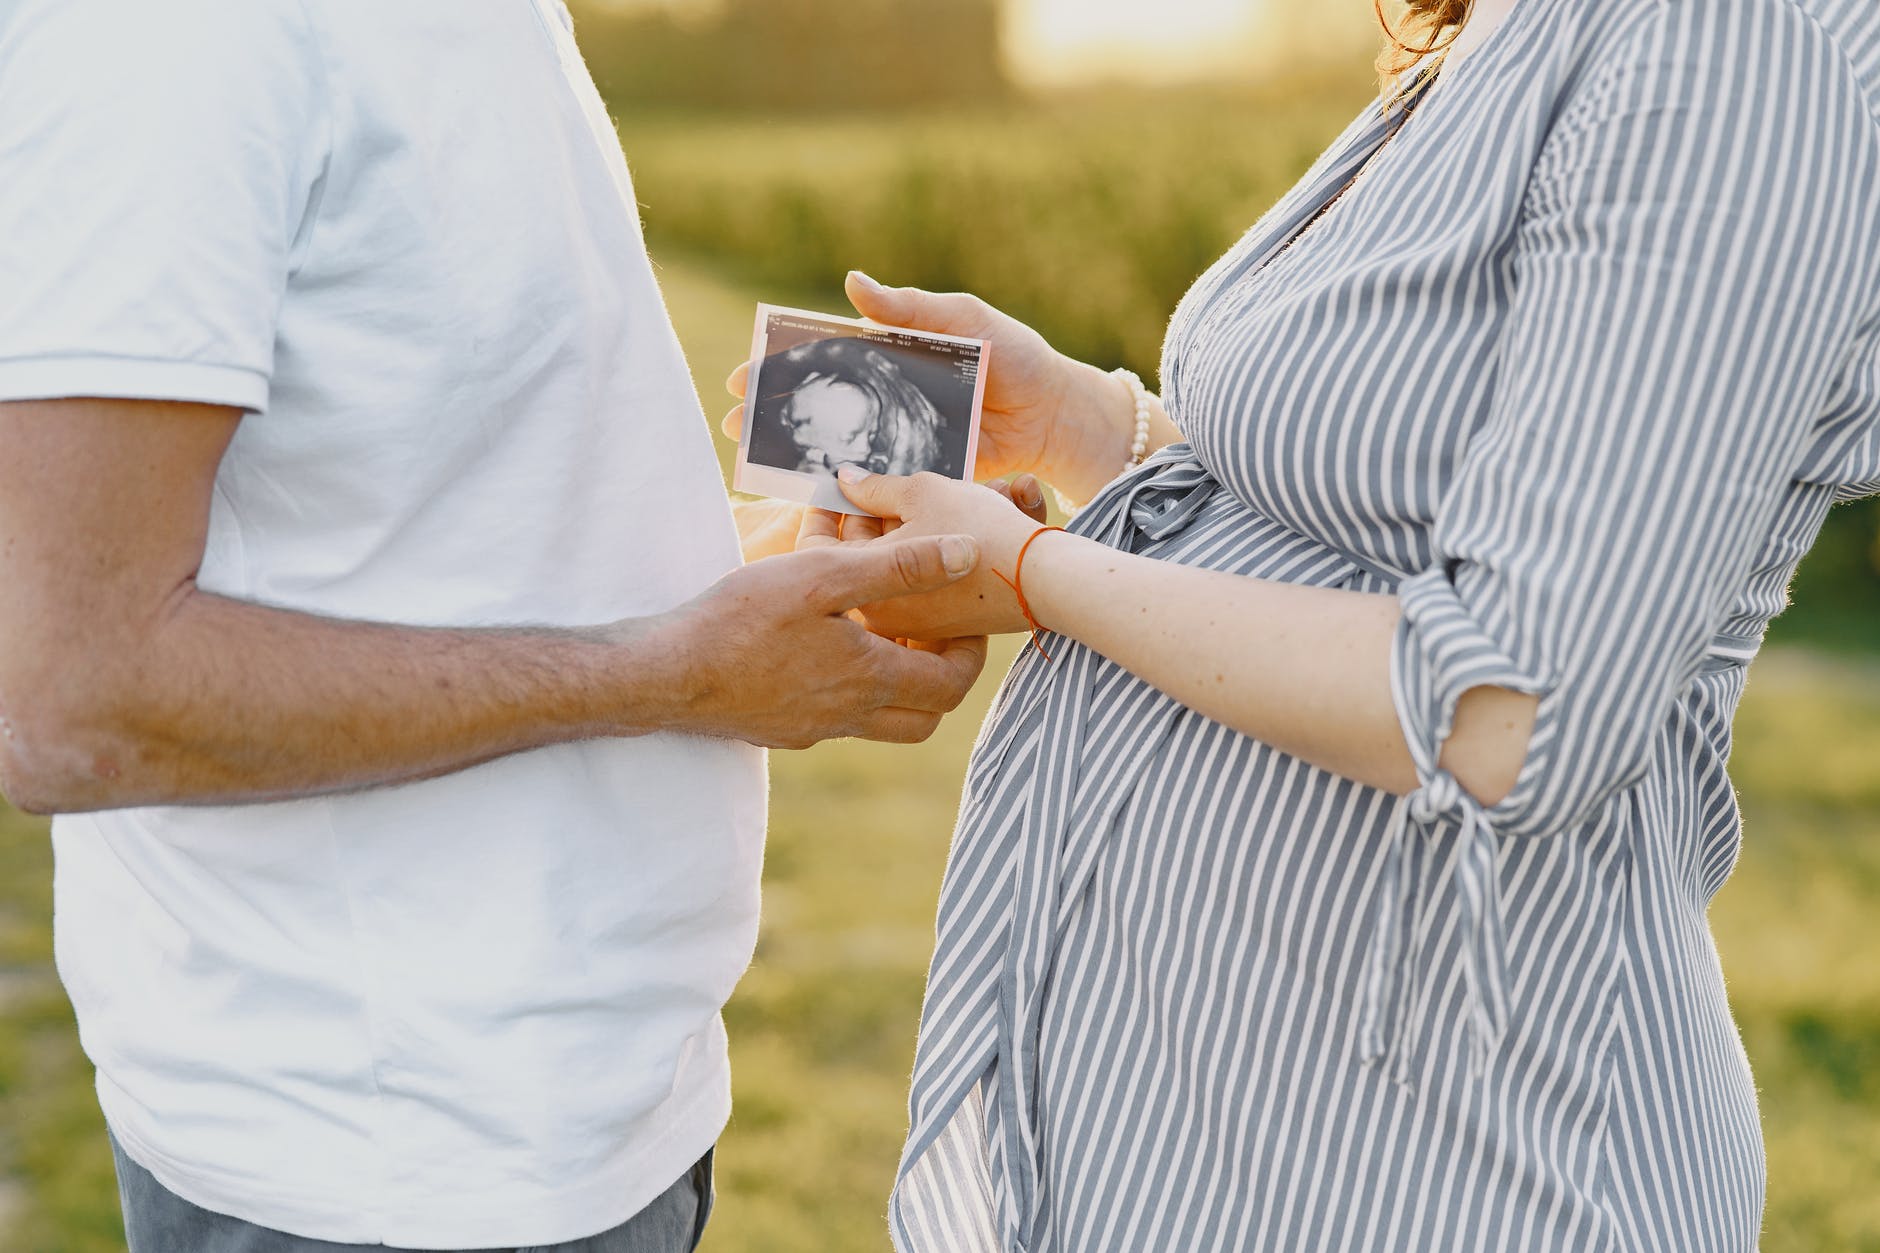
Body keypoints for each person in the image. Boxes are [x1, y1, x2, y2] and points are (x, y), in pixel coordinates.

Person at [726, 0, 1880, 1247]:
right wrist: (1084, 427)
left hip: (1454, 1155)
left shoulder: (1735, 50)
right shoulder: (1511, 24)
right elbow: (1365, 510)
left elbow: (1510, 706)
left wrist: (1040, 570)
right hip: (1230, 1129)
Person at [0, 3, 997, 1251]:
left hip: (609, 1111)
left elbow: (452, 508)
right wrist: (675, 673)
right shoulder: (176, 37)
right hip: (390, 1165)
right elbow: (75, 696)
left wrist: (741, 583)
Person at [760, 338, 946, 480]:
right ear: (806, 441)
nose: (865, 449)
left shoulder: (862, 462)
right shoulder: (810, 474)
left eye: (871, 434)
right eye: (849, 438)